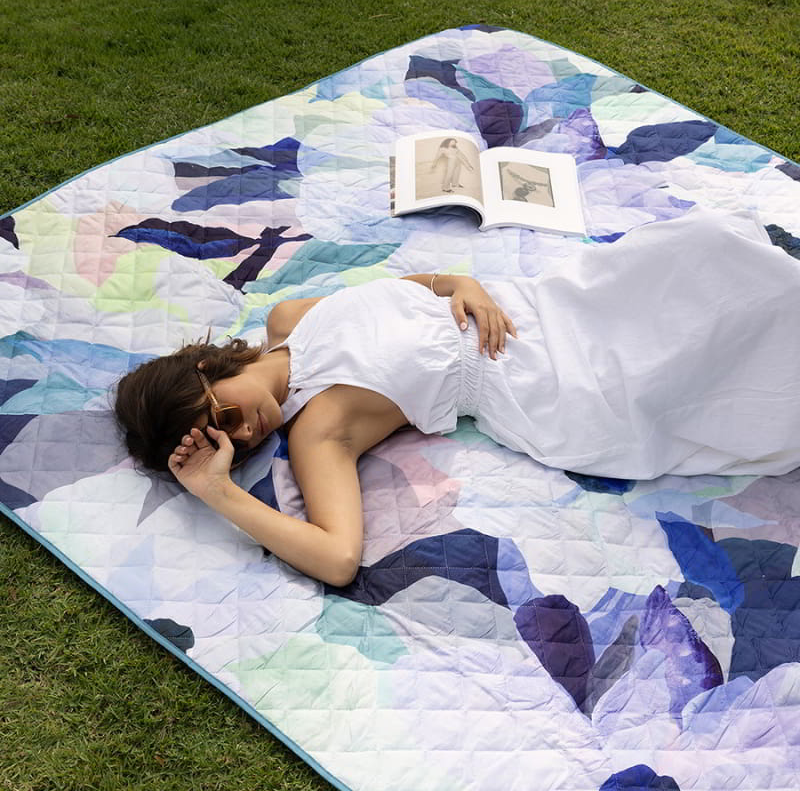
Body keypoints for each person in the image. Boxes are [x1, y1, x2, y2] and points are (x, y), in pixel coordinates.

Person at [114, 207, 800, 587]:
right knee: (702, 355)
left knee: (701, 247)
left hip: (534, 306)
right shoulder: (320, 428)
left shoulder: (288, 317)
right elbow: (337, 557)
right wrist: (218, 492)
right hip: (545, 382)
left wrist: (458, 283)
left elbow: (406, 292)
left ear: (206, 365)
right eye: (231, 444)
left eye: (221, 415)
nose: (245, 431)